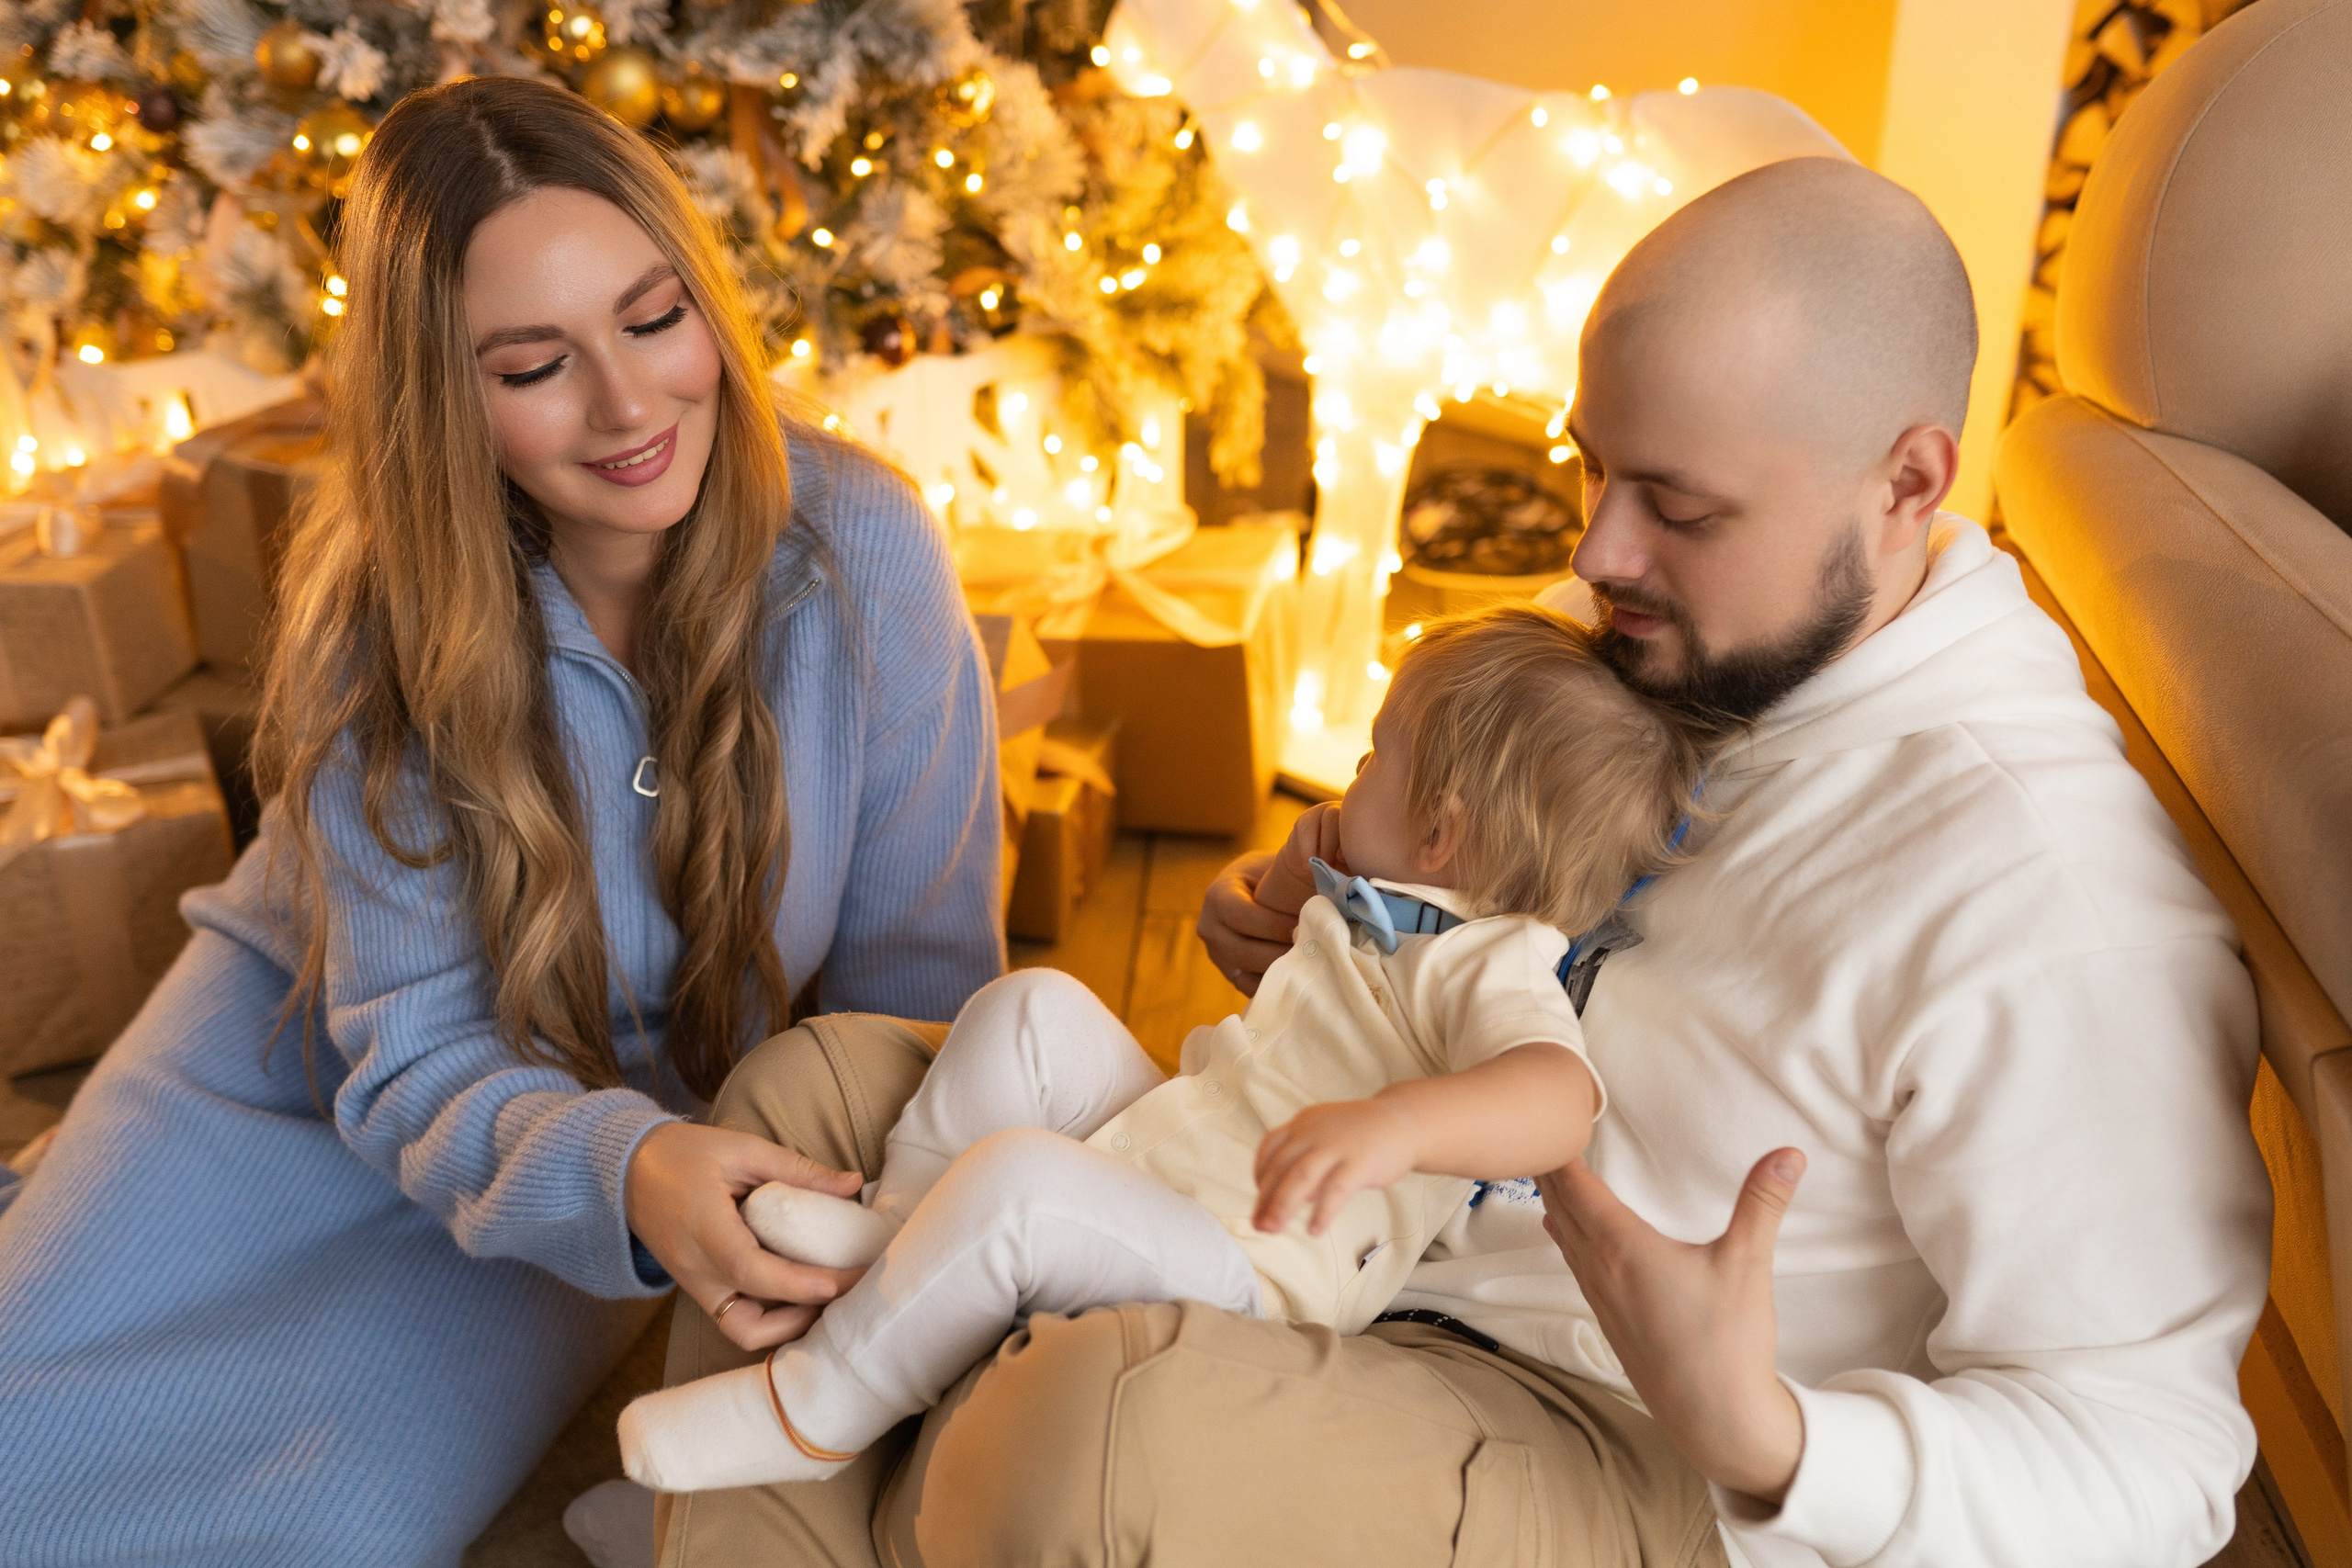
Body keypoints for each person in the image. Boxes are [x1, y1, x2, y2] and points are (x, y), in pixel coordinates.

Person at [648, 157, 2271, 1568]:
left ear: (1907, 482)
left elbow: (2160, 1466)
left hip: (1601, 1427)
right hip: (1339, 1231)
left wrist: (1771, 1433)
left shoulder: (2044, 897)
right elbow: (1447, 875)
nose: (1597, 551)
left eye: (1679, 506)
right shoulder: (1664, 634)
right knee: (807, 1105)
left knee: (1090, 1428)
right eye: (1594, 465)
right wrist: (1315, 906)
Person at [0, 76, 1001, 1568]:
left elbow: (922, 992)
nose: (629, 405)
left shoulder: (865, 557)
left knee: (319, 1530)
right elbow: (412, 1049)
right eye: (535, 365)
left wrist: (701, 1181)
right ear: (444, 400)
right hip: (299, 1057)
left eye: (653, 319)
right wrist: (633, 1175)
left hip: (599, 1160)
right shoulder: (377, 618)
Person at [616, 604, 1710, 1493]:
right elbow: (1282, 922)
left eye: (1376, 754)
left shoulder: (1490, 959)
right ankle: (898, 1234)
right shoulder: (1386, 896)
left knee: (1022, 1184)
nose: (1352, 768)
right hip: (1193, 1141)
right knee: (1031, 1008)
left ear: (1440, 829)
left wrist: (1397, 1128)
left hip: (1255, 1268)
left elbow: (1557, 1098)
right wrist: (1300, 868)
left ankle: (814, 1412)